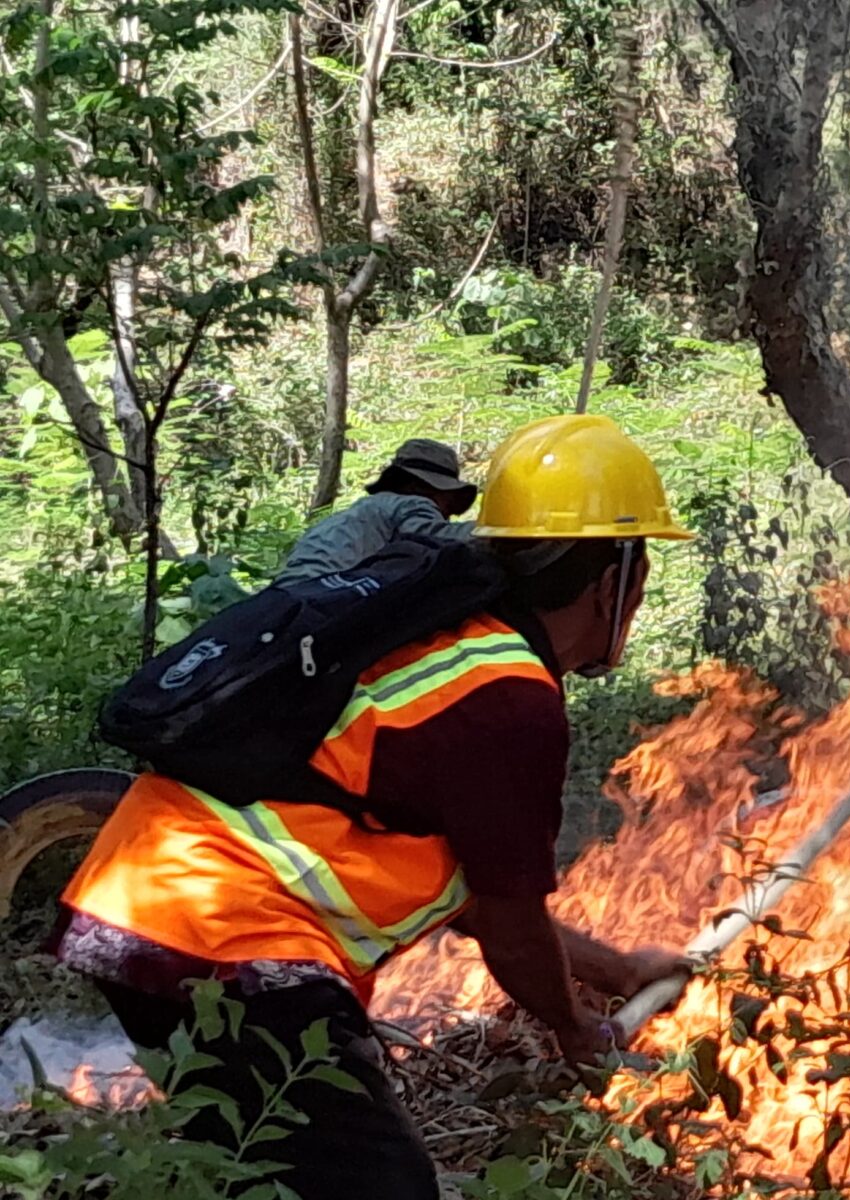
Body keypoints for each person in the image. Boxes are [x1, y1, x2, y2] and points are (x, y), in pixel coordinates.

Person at [53, 414, 695, 1200]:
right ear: (614, 580)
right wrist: (574, 1026)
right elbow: (511, 929)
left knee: (264, 1171)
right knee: (379, 1187)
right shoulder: (508, 697)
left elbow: (473, 903)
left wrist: (620, 971)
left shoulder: (441, 643)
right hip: (230, 940)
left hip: (135, 913)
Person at [272, 438, 477, 587]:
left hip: (284, 599)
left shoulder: (353, 514)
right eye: (448, 504)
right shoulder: (410, 504)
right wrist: (491, 531)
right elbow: (433, 538)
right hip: (330, 596)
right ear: (421, 488)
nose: (446, 516)